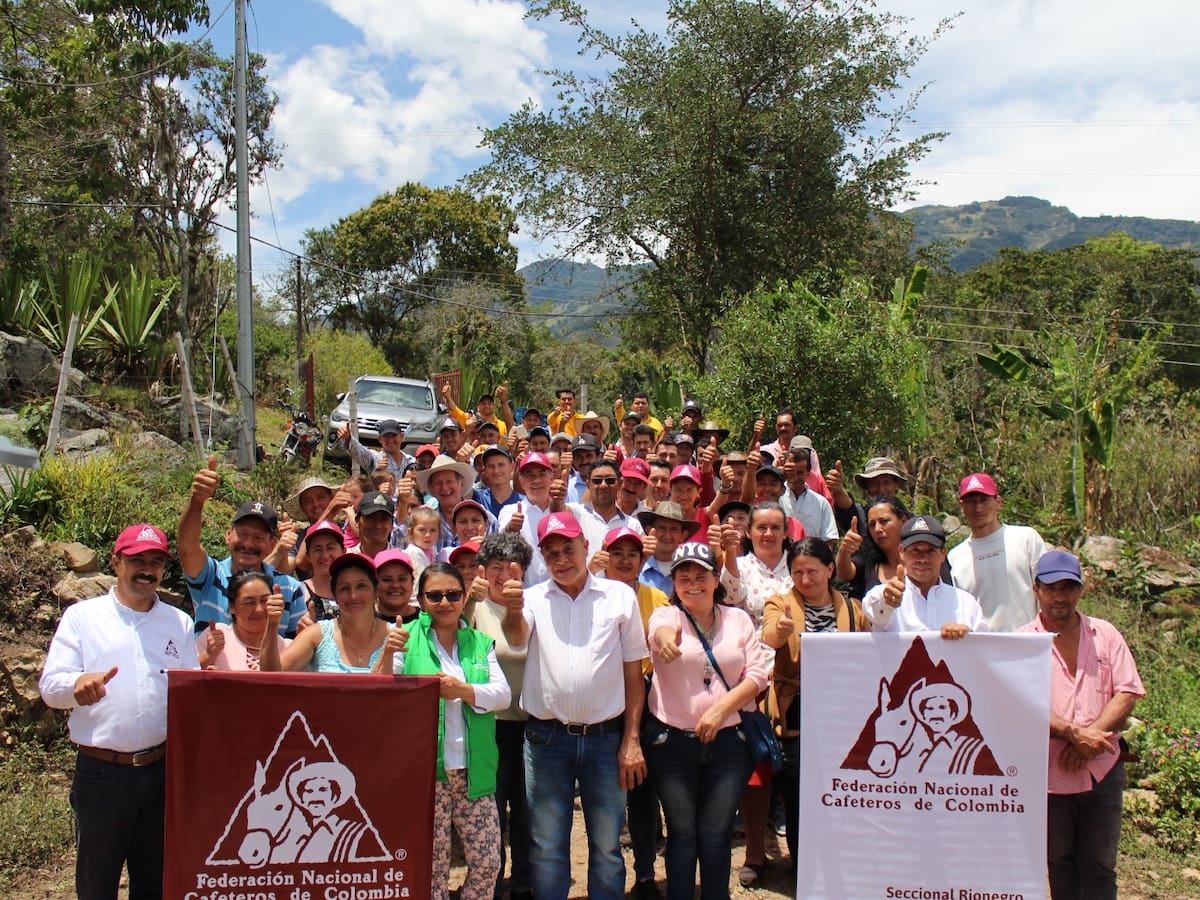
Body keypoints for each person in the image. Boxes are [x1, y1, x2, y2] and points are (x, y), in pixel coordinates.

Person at [39, 523, 200, 899]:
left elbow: (190, 694)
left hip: (160, 773)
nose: (147, 569)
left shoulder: (179, 622)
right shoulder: (84, 617)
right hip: (102, 775)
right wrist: (76, 687)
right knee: (97, 881)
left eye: (155, 561)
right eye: (137, 560)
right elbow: (50, 688)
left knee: (155, 880)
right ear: (116, 562)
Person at [499, 511, 649, 900]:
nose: (562, 559)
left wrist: (632, 740)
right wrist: (512, 610)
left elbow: (635, 676)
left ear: (586, 546)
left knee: (607, 846)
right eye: (551, 553)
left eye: (568, 549)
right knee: (547, 846)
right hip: (546, 740)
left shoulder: (620, 596)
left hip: (606, 739)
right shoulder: (531, 599)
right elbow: (516, 639)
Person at [1017, 550, 1144, 900]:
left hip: (1102, 767)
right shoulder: (1023, 642)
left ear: (1081, 590)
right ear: (1036, 590)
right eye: (1051, 587)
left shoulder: (1105, 634)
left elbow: (1127, 691)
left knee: (1101, 864)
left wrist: (1089, 739)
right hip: (1050, 775)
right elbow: (1020, 704)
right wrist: (1072, 734)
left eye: (1068, 587)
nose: (1060, 596)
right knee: (1060, 862)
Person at [644, 542, 768, 900]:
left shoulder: (739, 619)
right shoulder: (668, 616)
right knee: (681, 832)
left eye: (701, 576)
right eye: (684, 577)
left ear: (717, 580)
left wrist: (719, 711)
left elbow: (757, 674)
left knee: (716, 831)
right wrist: (667, 643)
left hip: (730, 743)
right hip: (672, 743)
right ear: (675, 583)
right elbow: (660, 633)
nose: (693, 584)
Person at [383, 563, 510, 900]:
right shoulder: (405, 639)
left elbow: (503, 695)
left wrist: (463, 690)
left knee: (487, 862)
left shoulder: (480, 642)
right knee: (432, 868)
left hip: (474, 772)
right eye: (434, 595)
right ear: (421, 601)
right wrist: (387, 652)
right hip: (427, 773)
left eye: (452, 594)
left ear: (464, 597)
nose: (444, 602)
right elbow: (381, 690)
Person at [761, 538, 867, 861]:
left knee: (841, 790)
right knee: (796, 793)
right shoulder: (780, 603)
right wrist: (781, 630)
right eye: (797, 572)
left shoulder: (852, 608)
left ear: (830, 569)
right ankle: (802, 867)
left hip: (842, 713)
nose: (805, 580)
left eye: (813, 572)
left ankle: (842, 861)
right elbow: (768, 636)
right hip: (797, 711)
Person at [717, 501, 793, 885]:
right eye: (760, 527)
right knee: (758, 764)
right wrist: (729, 554)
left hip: (797, 675)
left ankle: (802, 849)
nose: (767, 534)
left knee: (796, 767)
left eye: (774, 527)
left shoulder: (798, 565)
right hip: (753, 676)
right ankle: (756, 852)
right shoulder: (740, 565)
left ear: (785, 531)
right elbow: (730, 597)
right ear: (750, 531)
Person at [595, 526, 669, 899]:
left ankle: (644, 874)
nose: (625, 560)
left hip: (647, 701)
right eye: (617, 552)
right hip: (603, 704)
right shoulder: (591, 597)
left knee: (642, 793)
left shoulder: (656, 597)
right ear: (603, 557)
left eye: (632, 554)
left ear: (643, 561)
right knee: (606, 798)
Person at [471, 533, 536, 900]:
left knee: (526, 811)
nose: (503, 575)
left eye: (512, 568)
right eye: (495, 567)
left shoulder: (534, 607)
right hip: (489, 727)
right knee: (491, 810)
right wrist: (469, 599)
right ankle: (490, 882)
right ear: (483, 570)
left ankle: (525, 880)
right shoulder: (475, 608)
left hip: (531, 727)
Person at [179, 456, 307, 636]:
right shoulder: (211, 576)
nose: (248, 544)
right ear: (228, 535)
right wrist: (197, 501)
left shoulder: (290, 589)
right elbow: (187, 548)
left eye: (258, 537)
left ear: (272, 544)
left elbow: (298, 648)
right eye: (243, 534)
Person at [948, 472, 1047, 632]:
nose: (978, 508)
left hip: (1028, 644)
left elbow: (1046, 593)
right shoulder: (955, 557)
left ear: (998, 502)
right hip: (982, 651)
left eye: (984, 500)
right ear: (962, 506)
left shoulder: (1026, 539)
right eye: (971, 501)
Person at [259, 554, 391, 673]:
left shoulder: (395, 634)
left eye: (361, 586)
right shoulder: (317, 635)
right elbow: (271, 674)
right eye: (344, 588)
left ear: (375, 591)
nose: (353, 595)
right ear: (334, 595)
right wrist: (272, 625)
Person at [861, 516, 986, 638]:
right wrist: (886, 600)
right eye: (915, 550)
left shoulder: (966, 603)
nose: (923, 559)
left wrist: (968, 637)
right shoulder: (884, 595)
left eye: (930, 551)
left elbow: (985, 647)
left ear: (943, 553)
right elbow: (873, 610)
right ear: (902, 552)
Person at [196, 569, 291, 670]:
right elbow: (188, 674)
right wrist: (209, 654)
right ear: (232, 607)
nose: (259, 610)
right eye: (249, 603)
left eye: (265, 600)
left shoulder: (289, 648)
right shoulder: (214, 636)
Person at [636, 501, 702, 596]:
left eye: (673, 529)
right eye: (662, 528)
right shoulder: (637, 565)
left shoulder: (691, 569)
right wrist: (641, 560)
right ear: (650, 530)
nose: (667, 535)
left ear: (683, 536)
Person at [299, 521, 346, 622]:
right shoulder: (299, 592)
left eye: (330, 548)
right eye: (318, 549)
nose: (325, 555)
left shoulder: (356, 591)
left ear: (343, 551)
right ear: (308, 556)